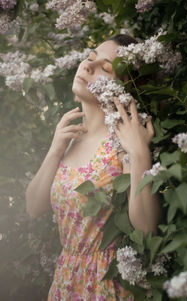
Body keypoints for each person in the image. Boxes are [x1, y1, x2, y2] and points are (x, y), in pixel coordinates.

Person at [26, 34, 162, 300]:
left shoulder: (125, 142)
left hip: (106, 286)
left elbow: (147, 230)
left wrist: (139, 154)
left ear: (124, 87)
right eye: (90, 58)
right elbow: (33, 207)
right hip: (66, 283)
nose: (87, 67)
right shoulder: (69, 138)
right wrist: (55, 150)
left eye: (105, 68)